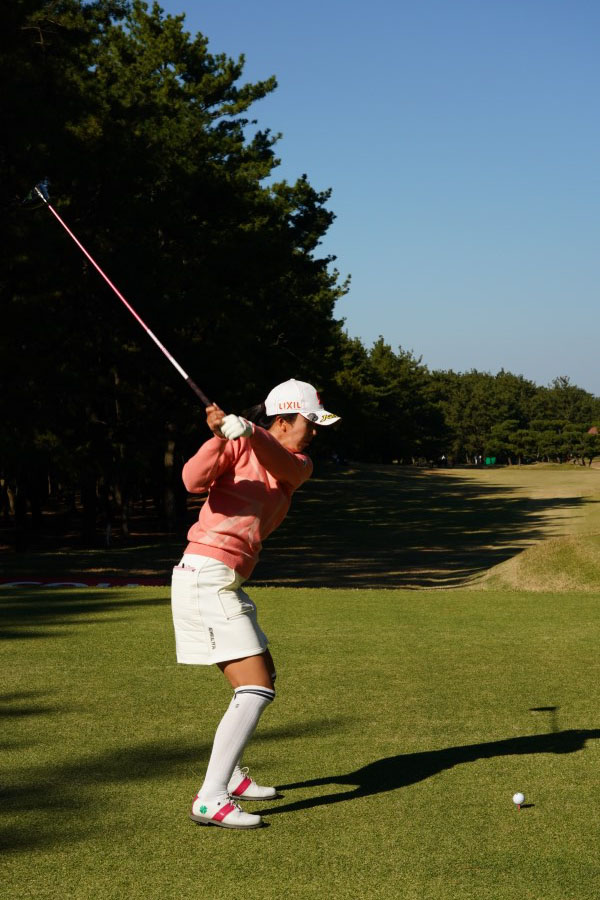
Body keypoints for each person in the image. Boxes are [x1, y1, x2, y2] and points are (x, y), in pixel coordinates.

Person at [171, 378, 340, 829]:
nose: (314, 432)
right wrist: (217, 437)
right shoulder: (236, 443)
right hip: (206, 574)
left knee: (264, 674)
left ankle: (231, 776)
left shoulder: (295, 462)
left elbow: (279, 460)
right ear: (283, 419)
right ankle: (210, 798)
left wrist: (247, 430)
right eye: (309, 422)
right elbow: (191, 481)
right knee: (256, 687)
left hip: (225, 580)